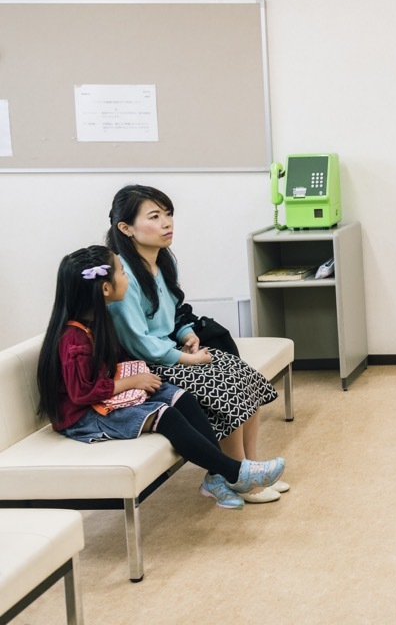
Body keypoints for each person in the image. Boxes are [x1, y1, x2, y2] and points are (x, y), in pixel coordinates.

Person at [35, 245, 285, 511]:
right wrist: (133, 382)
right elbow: (82, 393)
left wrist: (139, 375)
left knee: (182, 398)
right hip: (84, 415)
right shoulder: (73, 339)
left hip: (106, 396)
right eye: (121, 273)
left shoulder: (99, 320)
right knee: (166, 416)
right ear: (105, 289)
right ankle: (235, 473)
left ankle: (218, 476)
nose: (127, 278)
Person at [105, 184, 289, 504]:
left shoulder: (164, 260)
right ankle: (237, 477)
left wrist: (186, 334)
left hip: (171, 352)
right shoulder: (123, 274)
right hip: (148, 363)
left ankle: (249, 467)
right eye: (154, 216)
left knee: (242, 374)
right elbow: (137, 341)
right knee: (225, 386)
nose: (167, 223)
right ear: (126, 228)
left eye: (168, 214)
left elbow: (174, 312)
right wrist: (184, 359)